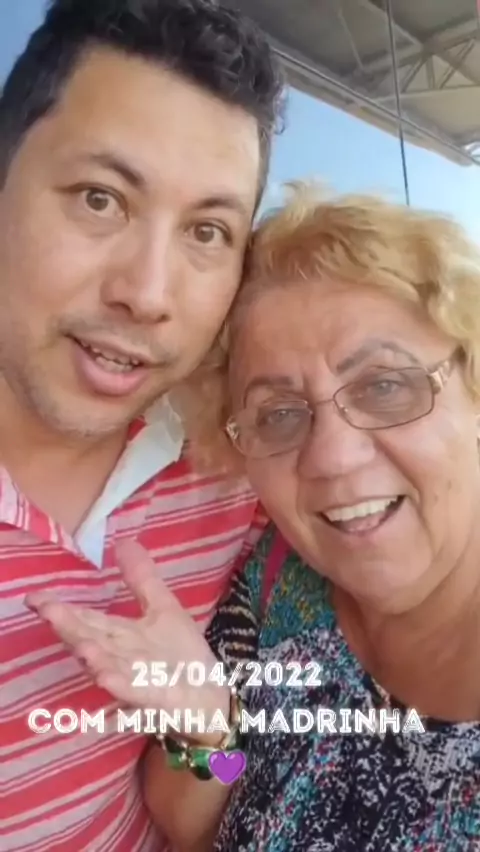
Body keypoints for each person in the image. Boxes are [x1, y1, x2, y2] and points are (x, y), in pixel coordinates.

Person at [35, 184, 480, 850]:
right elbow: (194, 825)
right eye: (279, 414)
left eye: (385, 385)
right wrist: (210, 731)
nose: (332, 457)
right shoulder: (276, 586)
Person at [0, 0, 284, 849]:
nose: (148, 293)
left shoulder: (235, 469)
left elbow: (221, 784)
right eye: (100, 198)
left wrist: (209, 729)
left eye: (207, 231)